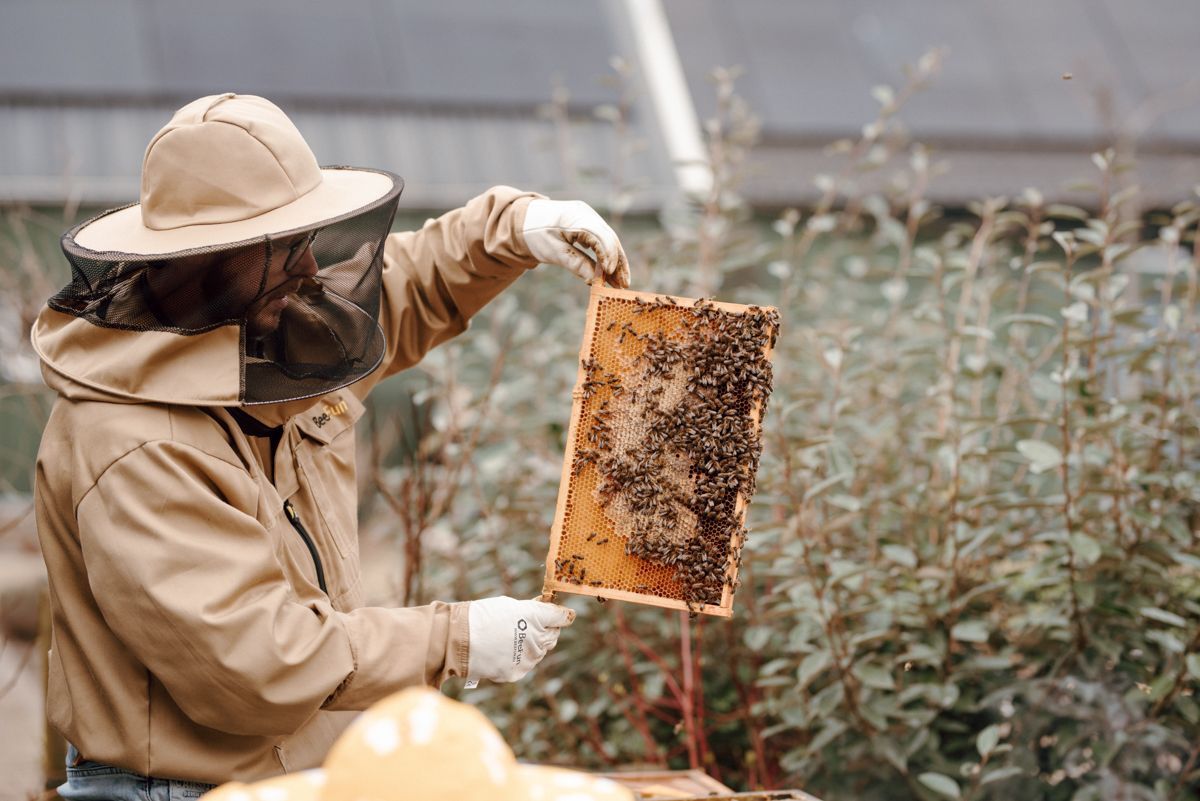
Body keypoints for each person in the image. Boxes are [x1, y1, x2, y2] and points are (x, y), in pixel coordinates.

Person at [31, 93, 630, 796]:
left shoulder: (264, 325)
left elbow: (398, 291)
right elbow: (257, 659)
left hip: (306, 766)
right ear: (208, 260)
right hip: (177, 785)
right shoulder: (132, 444)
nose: (312, 265)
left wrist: (512, 229)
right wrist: (454, 636)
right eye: (285, 247)